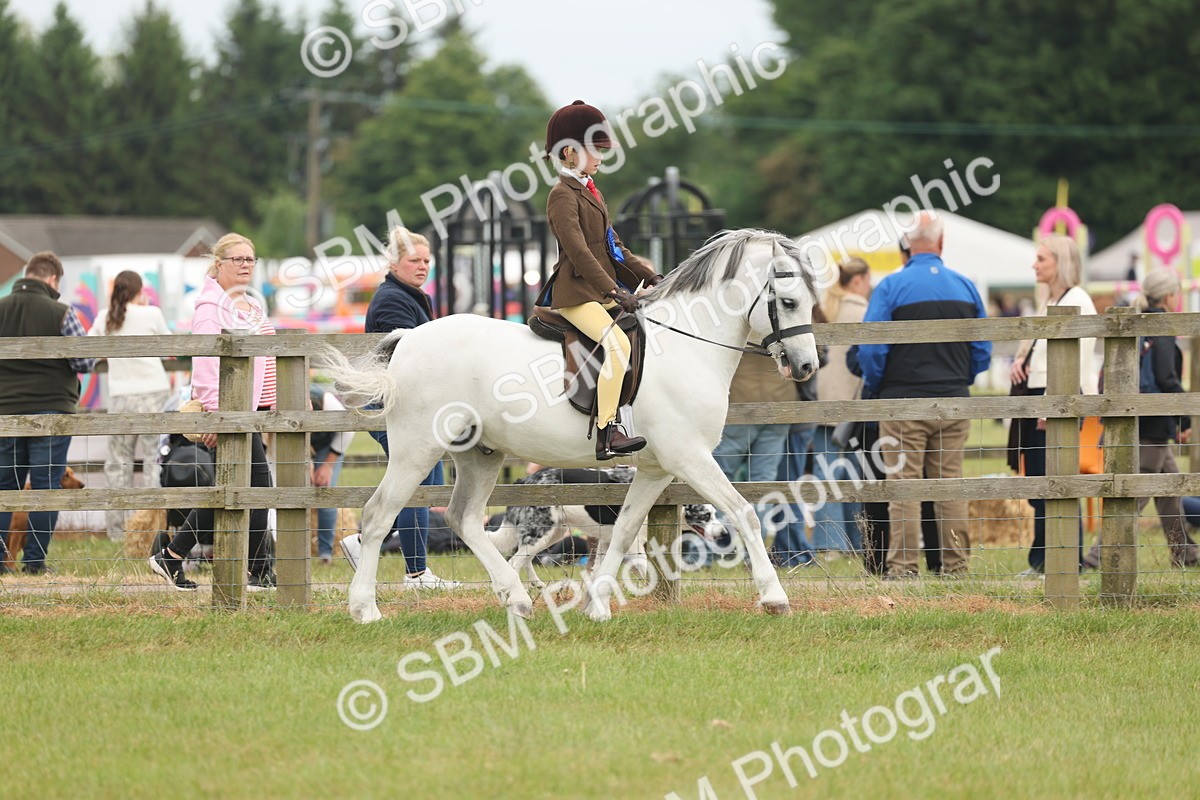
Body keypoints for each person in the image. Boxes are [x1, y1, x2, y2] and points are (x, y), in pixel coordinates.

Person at [858, 213, 992, 579]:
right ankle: (956, 568)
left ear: (907, 244)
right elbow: (982, 349)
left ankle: (903, 570)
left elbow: (870, 349)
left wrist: (881, 384)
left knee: (904, 489)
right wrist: (959, 377)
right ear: (941, 241)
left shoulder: (891, 286)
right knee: (950, 486)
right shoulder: (965, 286)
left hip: (903, 400)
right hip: (952, 398)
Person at [148, 233, 276, 591]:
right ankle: (258, 569)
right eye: (238, 259)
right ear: (219, 264)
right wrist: (214, 417)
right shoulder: (210, 307)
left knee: (235, 488)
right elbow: (205, 363)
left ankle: (173, 556)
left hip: (246, 411)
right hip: (227, 412)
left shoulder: (244, 302)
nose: (246, 265)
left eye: (251, 259)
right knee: (254, 487)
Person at [338, 226, 460, 589]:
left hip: (407, 405)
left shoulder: (411, 295)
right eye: (414, 261)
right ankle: (416, 572)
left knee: (418, 481)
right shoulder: (393, 300)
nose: (422, 266)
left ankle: (366, 545)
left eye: (426, 260)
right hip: (391, 404)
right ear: (394, 263)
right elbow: (407, 358)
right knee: (418, 481)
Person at [543, 100, 662, 459]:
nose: (600, 157)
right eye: (595, 150)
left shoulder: (591, 191)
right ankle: (607, 431)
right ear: (569, 152)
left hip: (601, 290)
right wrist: (613, 290)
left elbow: (614, 247)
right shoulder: (561, 196)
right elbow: (579, 252)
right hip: (577, 294)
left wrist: (650, 275)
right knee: (616, 347)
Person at [1085, 269, 1197, 568]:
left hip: (1136, 417)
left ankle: (1185, 553)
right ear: (1171, 296)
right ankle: (1096, 558)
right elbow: (1167, 378)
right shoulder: (1160, 326)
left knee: (1170, 491)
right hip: (1153, 422)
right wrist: (1185, 418)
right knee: (1136, 495)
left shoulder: (1136, 321)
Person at [0, 252, 96, 574]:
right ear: (53, 279)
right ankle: (35, 564)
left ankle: (0, 562)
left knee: (4, 486)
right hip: (52, 411)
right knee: (46, 487)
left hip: (6, 412)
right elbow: (84, 362)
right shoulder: (62, 313)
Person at [1008, 236, 1098, 576]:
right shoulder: (1053, 299)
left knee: (1056, 483)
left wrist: (1054, 404)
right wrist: (1021, 361)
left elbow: (1080, 357)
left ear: (1059, 262)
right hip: (1039, 399)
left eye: (1042, 259)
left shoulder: (1077, 300)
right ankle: (1046, 558)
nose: (1035, 264)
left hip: (1055, 400)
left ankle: (1062, 561)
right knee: (1040, 484)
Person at [89, 270, 172, 542]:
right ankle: (150, 529)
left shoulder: (105, 317)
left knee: (118, 462)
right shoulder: (151, 314)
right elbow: (171, 348)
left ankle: (118, 531)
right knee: (153, 460)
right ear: (139, 291)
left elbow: (87, 348)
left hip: (121, 394)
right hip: (153, 391)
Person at [711, 351, 796, 563]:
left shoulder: (738, 319)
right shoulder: (780, 321)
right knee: (763, 481)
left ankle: (717, 547)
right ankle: (756, 553)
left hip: (740, 400)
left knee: (720, 478)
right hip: (779, 401)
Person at [812, 257, 871, 554]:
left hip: (822, 402)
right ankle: (858, 541)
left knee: (826, 476)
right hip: (853, 404)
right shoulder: (863, 311)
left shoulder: (825, 310)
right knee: (856, 477)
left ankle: (828, 542)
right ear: (858, 280)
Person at [310, 382, 353, 566]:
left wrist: (327, 465)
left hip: (330, 444)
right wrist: (307, 463)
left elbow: (348, 430)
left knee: (324, 492)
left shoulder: (325, 401)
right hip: (297, 446)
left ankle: (325, 554)